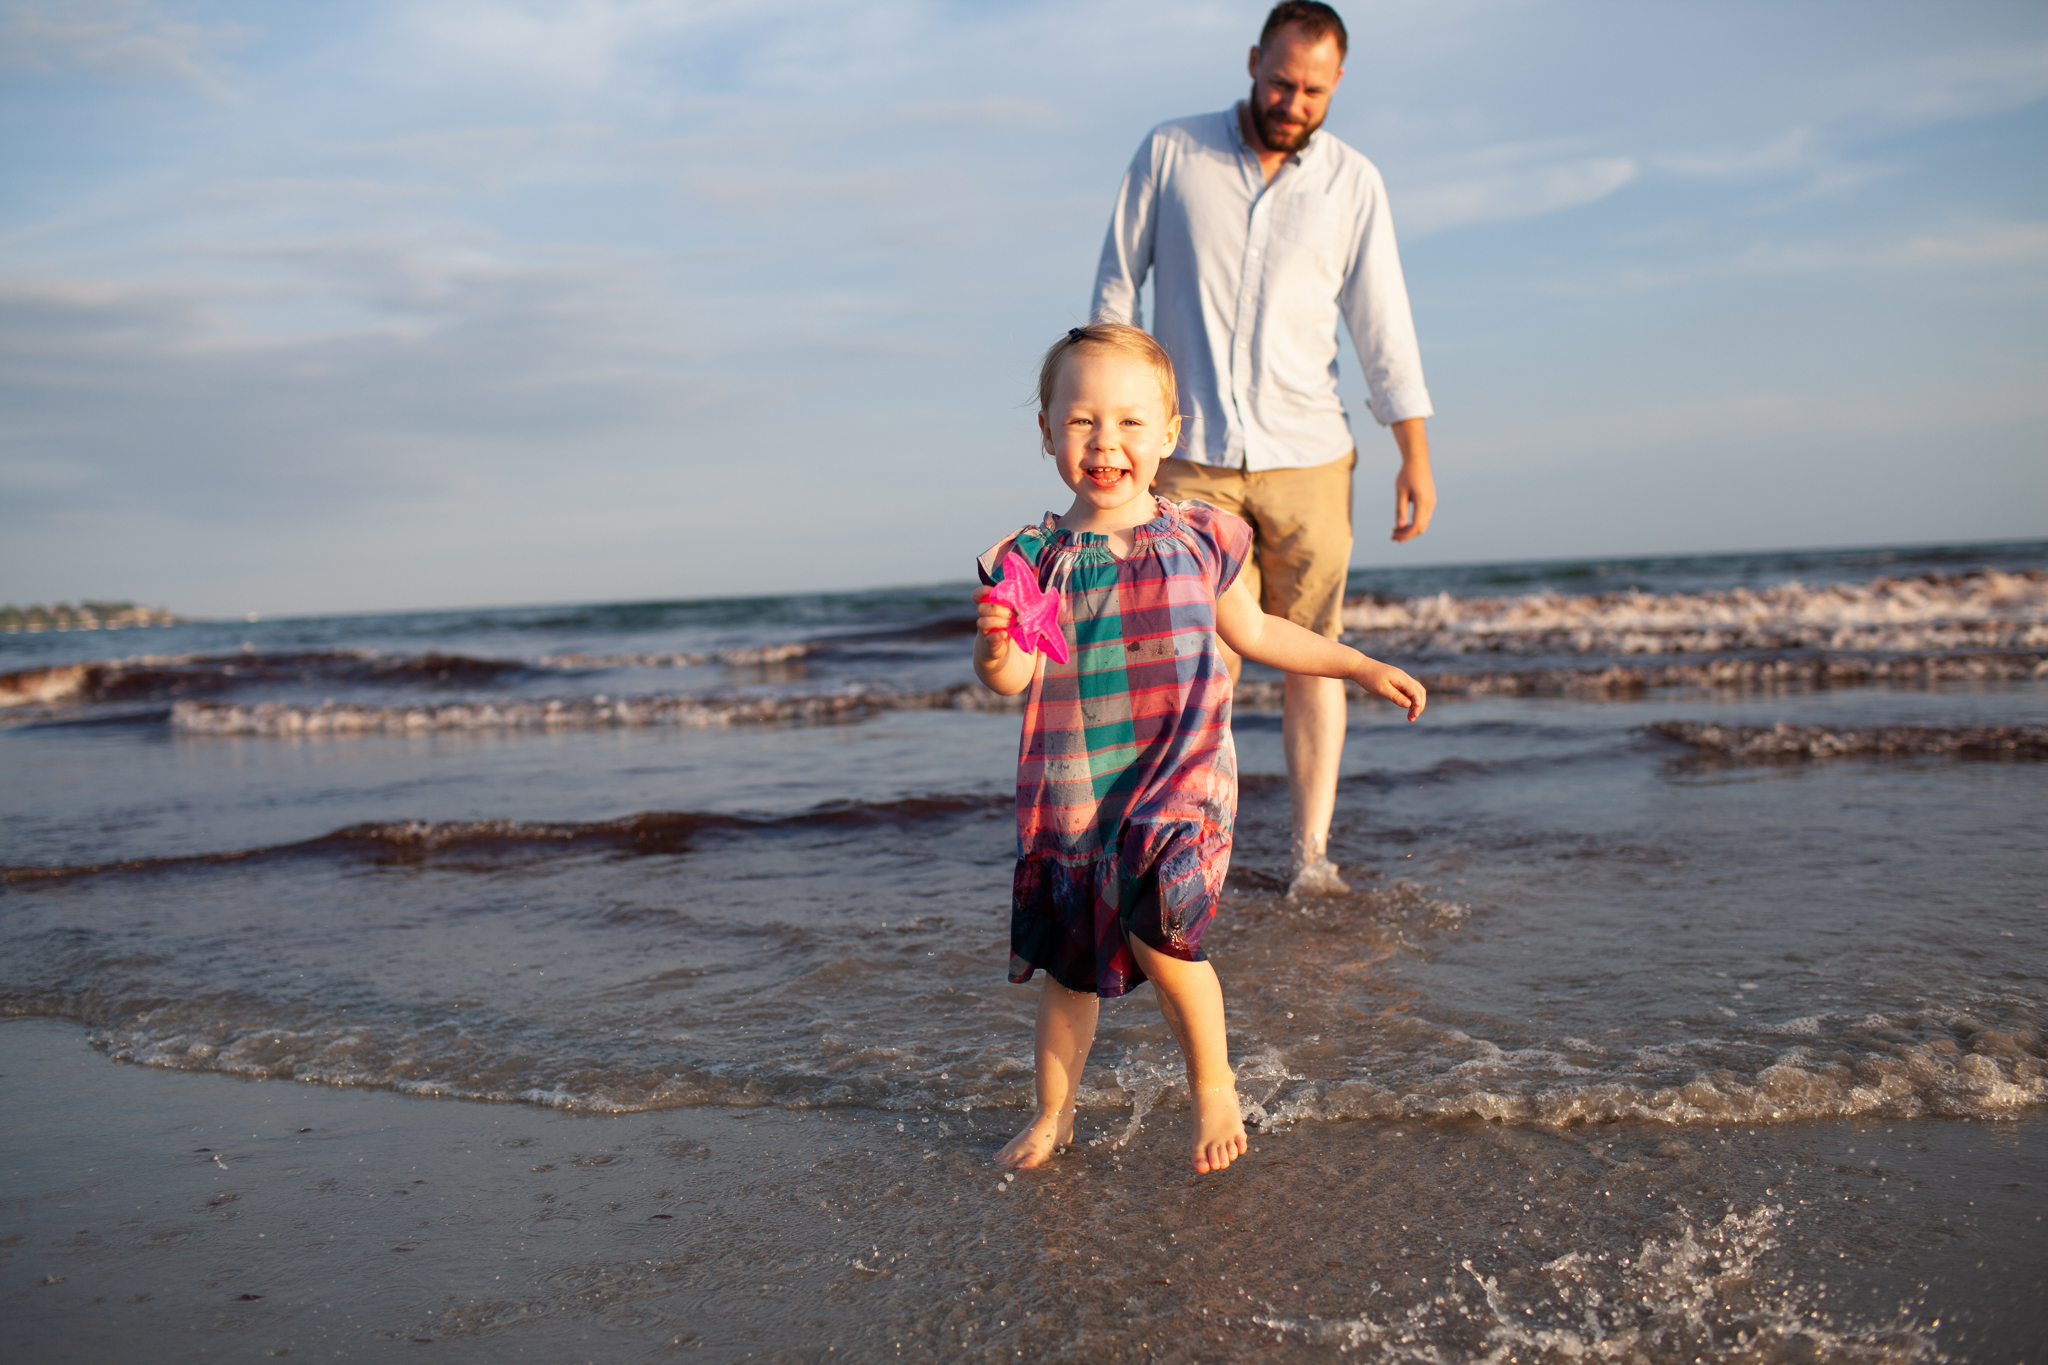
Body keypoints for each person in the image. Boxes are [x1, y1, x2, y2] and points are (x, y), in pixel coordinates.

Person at [974, 323, 1426, 1173]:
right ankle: (1052, 1115)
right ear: (1045, 432)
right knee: (1072, 975)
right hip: (1077, 795)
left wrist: (1358, 662)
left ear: (1170, 435)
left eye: (1130, 422)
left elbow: (1258, 632)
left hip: (1184, 782)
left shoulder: (1198, 536)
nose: (1106, 441)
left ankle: (1214, 1085)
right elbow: (1008, 678)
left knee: (1161, 933)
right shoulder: (1029, 562)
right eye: (1081, 422)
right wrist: (998, 642)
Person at [1090, 1, 1435, 898]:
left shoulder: (1354, 183)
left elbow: (1382, 323)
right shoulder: (1172, 153)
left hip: (1310, 452)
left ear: (1337, 85)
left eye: (1314, 90)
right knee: (1210, 655)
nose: (1294, 101)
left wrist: (1414, 451)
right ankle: (1202, 846)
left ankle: (1312, 859)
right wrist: (1115, 432)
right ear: (1252, 61)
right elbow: (1116, 290)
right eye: (1281, 81)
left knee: (1314, 647)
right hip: (1192, 452)